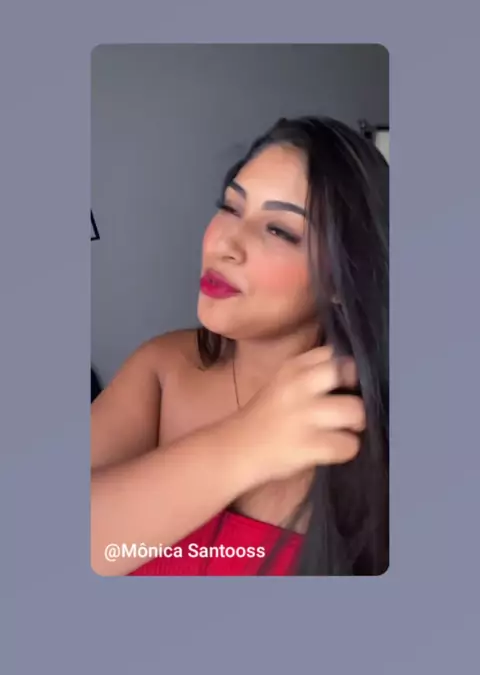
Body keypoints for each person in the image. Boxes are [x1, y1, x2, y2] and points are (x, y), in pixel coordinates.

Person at [90, 115, 389, 577]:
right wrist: (247, 442)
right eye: (230, 208)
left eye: (279, 230)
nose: (225, 244)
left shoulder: (375, 436)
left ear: (340, 279)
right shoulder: (162, 368)